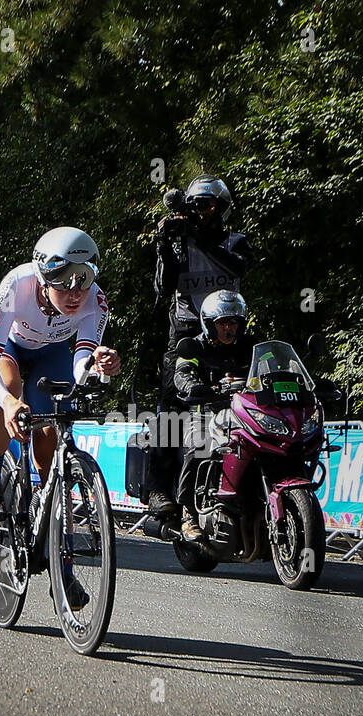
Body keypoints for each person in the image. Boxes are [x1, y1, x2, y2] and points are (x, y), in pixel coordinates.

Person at [0, 227, 121, 607]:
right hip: (0, 344)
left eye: (81, 284)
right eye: (63, 285)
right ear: (42, 277)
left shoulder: (96, 300)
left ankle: (61, 569)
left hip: (50, 352)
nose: (73, 294)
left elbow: (81, 358)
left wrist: (100, 366)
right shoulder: (17, 286)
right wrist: (7, 402)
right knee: (9, 388)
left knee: (53, 430)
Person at [148, 175, 255, 519]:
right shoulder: (182, 240)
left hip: (229, 329)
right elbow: (163, 287)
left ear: (221, 208)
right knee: (170, 409)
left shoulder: (235, 241)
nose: (200, 212)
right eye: (195, 206)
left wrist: (199, 239)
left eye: (207, 206)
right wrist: (165, 245)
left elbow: (238, 266)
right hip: (186, 329)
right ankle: (159, 490)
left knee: (250, 394)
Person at [171, 290, 255, 540]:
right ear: (209, 324)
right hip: (206, 412)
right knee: (198, 446)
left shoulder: (253, 346)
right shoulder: (195, 346)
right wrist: (193, 386)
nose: (228, 328)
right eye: (222, 323)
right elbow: (182, 371)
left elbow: (276, 365)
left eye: (233, 323)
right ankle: (187, 512)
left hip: (247, 412)